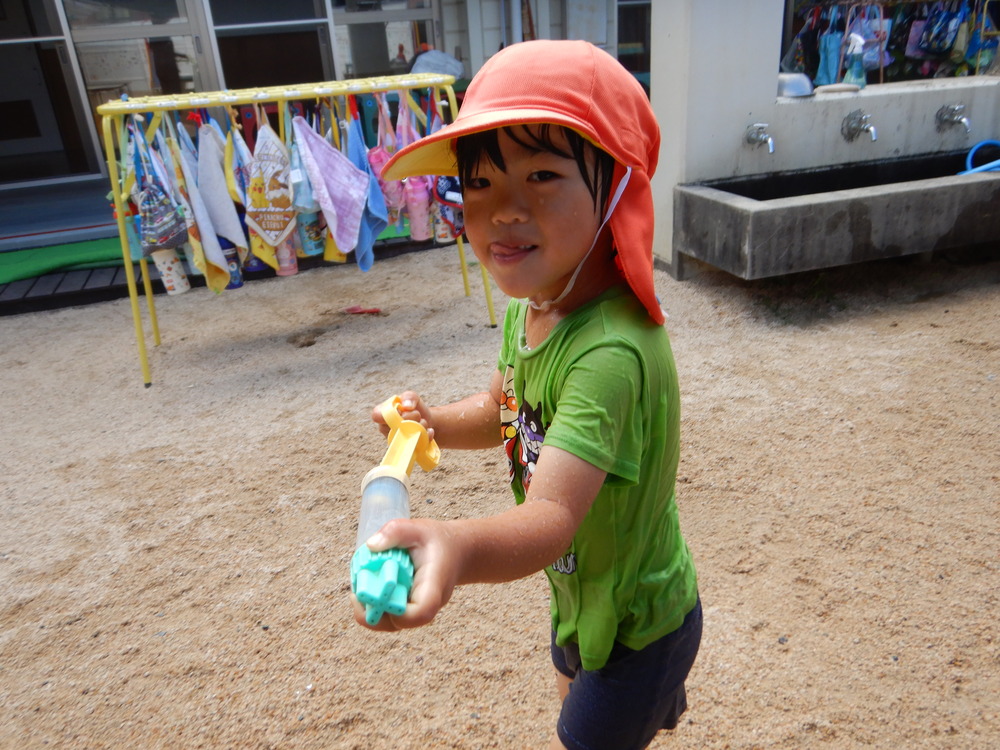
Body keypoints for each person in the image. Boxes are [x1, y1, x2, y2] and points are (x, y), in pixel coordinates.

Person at [354, 39, 701, 750]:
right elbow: (504, 409)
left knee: (583, 734)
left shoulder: (609, 353)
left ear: (616, 186)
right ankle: (647, 703)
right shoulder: (532, 306)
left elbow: (549, 516)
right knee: (571, 684)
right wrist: (437, 426)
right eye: (479, 183)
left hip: (640, 617)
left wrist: (455, 547)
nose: (502, 211)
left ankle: (655, 687)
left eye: (541, 174)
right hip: (580, 595)